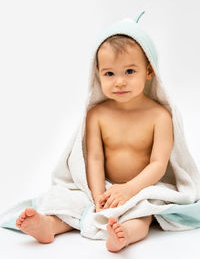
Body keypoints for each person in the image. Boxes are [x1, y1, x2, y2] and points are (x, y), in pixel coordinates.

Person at [15, 33, 174, 253]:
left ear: (149, 71)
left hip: (141, 187)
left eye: (129, 71)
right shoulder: (97, 115)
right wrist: (98, 195)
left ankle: (124, 234)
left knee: (142, 214)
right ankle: (48, 225)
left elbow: (158, 163)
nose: (119, 81)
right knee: (69, 202)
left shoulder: (160, 116)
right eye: (109, 73)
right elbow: (94, 157)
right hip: (103, 185)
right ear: (98, 75)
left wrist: (129, 190)